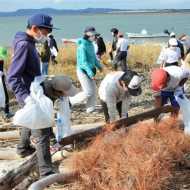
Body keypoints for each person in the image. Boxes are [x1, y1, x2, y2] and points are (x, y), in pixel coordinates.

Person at [7, 13, 57, 178]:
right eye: (45, 31)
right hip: (30, 94)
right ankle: (46, 171)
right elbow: (12, 77)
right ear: (35, 28)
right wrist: (27, 99)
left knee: (30, 122)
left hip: (33, 90)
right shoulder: (24, 45)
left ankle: (22, 148)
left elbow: (27, 71)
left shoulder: (29, 42)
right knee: (41, 131)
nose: (47, 35)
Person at [69, 26, 103, 113]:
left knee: (94, 91)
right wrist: (90, 73)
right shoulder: (82, 46)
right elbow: (83, 62)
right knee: (88, 92)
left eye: (95, 36)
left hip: (90, 70)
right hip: (82, 71)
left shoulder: (91, 45)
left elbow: (94, 59)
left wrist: (99, 66)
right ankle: (69, 101)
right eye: (94, 36)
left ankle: (90, 109)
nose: (95, 37)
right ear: (88, 36)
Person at [0, 47, 13, 119]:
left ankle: (6, 111)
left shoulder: (2, 61)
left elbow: (3, 70)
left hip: (2, 80)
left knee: (5, 96)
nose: (2, 58)